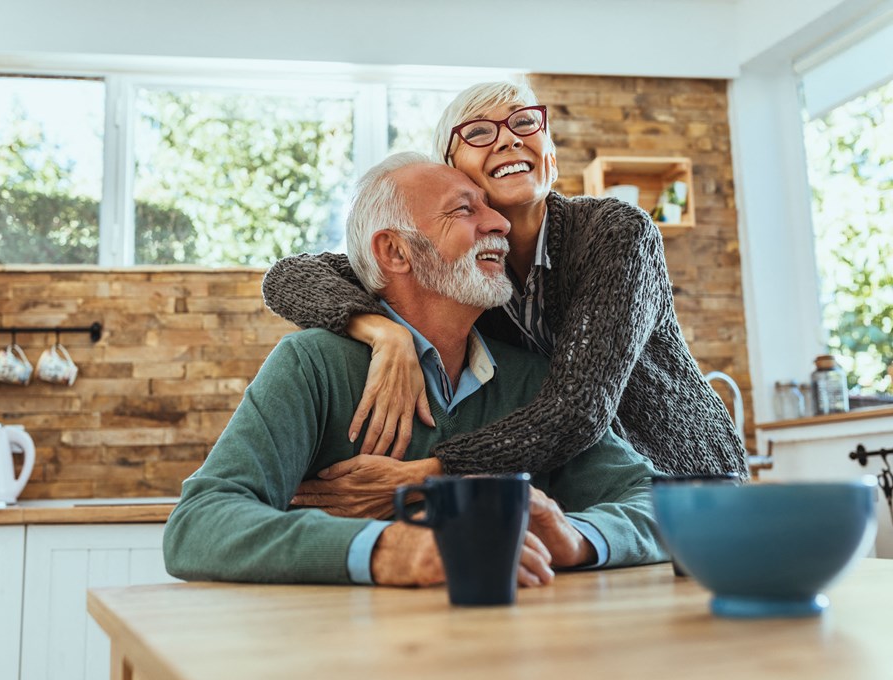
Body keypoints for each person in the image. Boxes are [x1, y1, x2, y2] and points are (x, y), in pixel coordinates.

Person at [163, 153, 667, 586]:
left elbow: (658, 504)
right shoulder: (313, 365)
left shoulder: (532, 380)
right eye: (465, 210)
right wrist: (390, 549)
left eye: (490, 208)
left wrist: (576, 538)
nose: (500, 224)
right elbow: (199, 524)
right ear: (395, 251)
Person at [262, 81, 747, 504]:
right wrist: (384, 333)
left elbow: (578, 409)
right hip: (576, 492)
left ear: (549, 156)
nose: (509, 137)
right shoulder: (459, 270)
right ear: (450, 170)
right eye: (477, 132)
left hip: (682, 478)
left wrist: (427, 476)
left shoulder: (616, 233)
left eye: (524, 123)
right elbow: (289, 276)